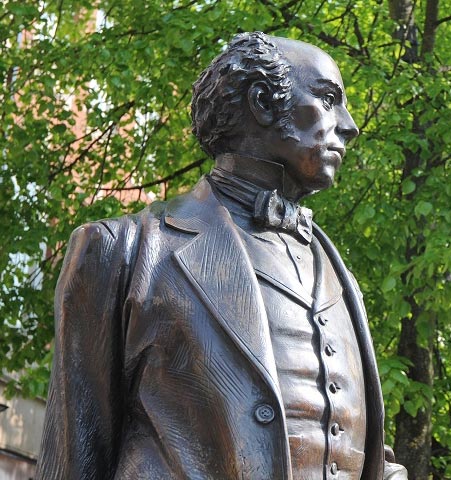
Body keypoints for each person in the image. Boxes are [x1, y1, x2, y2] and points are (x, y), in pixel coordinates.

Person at [37, 32, 407, 479]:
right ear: (263, 103)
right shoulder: (125, 252)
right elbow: (75, 458)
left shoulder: (336, 270)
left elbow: (364, 449)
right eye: (329, 99)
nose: (349, 125)